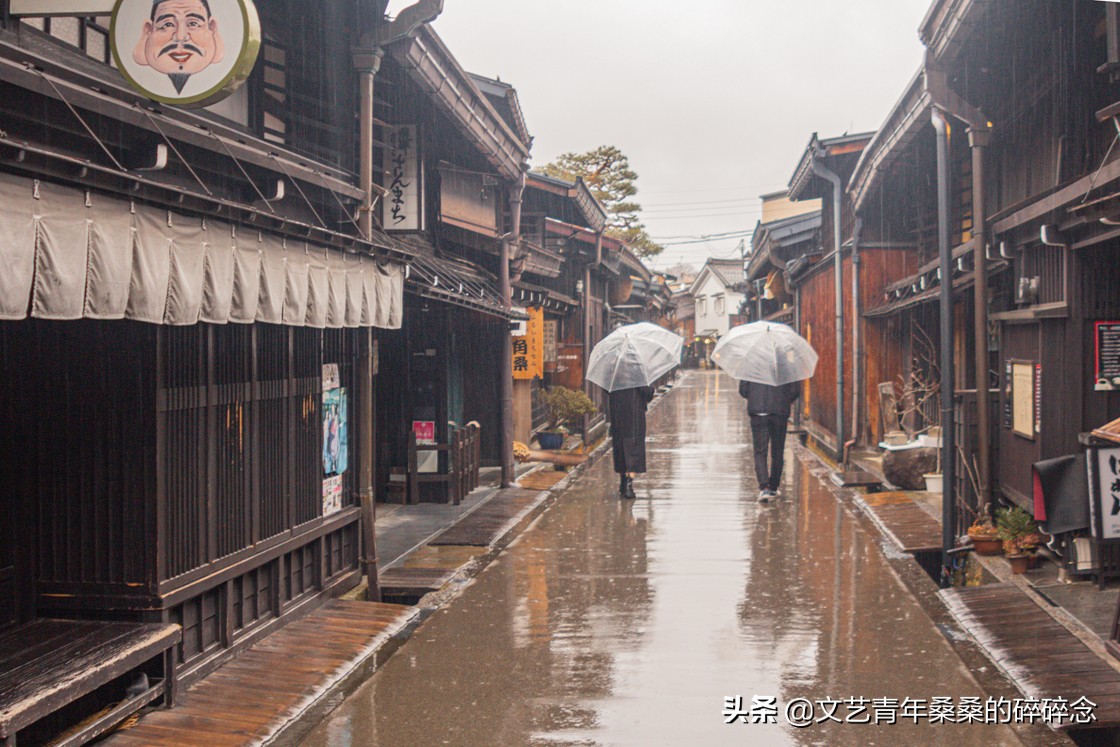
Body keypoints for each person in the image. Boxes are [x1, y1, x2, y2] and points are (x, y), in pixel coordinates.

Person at [738, 379, 801, 502]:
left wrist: (756, 397)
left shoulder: (752, 369)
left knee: (760, 451)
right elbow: (795, 390)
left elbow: (743, 390)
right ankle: (773, 486)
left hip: (758, 412)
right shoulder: (785, 368)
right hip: (779, 412)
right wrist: (783, 399)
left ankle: (764, 487)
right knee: (778, 451)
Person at [609, 385, 654, 499]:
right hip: (635, 413)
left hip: (617, 413)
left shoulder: (615, 377)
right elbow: (648, 394)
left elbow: (608, 390)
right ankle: (629, 484)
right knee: (634, 446)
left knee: (620, 446)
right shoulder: (638, 376)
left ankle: (623, 481)